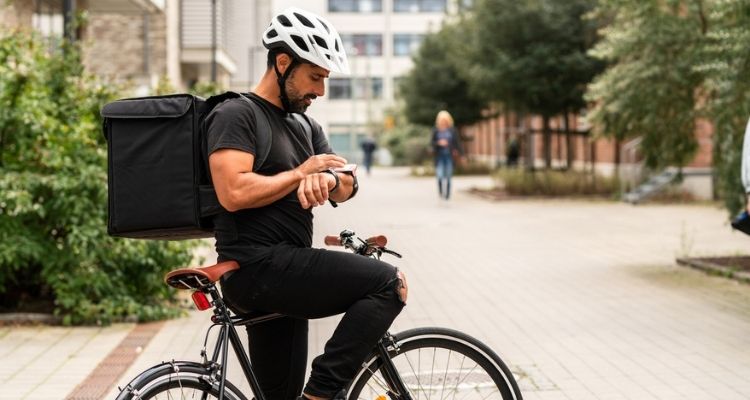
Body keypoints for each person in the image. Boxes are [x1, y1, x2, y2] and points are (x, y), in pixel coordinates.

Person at [205, 8, 407, 400]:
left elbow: (347, 181)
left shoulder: (305, 125)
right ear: (283, 63)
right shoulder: (236, 114)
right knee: (388, 284)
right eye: (315, 77)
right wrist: (301, 173)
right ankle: (322, 394)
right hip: (255, 266)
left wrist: (330, 179)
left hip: (286, 270)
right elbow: (233, 192)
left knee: (278, 395)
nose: (321, 91)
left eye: (325, 79)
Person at [431, 110, 463, 200]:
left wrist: (461, 154)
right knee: (440, 175)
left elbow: (457, 143)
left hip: (449, 156)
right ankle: (441, 191)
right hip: (439, 156)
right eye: (442, 120)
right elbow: (431, 143)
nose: (443, 122)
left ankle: (447, 194)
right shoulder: (435, 130)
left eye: (445, 120)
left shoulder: (452, 130)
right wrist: (438, 142)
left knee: (448, 176)